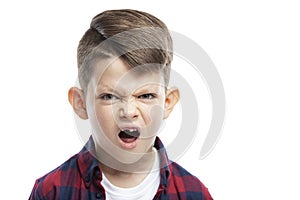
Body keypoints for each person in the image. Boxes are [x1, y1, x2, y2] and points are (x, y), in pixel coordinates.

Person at [29, 9, 213, 200]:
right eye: (109, 97)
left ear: (167, 102)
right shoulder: (52, 192)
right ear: (80, 103)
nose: (128, 112)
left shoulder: (195, 193)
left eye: (146, 96)